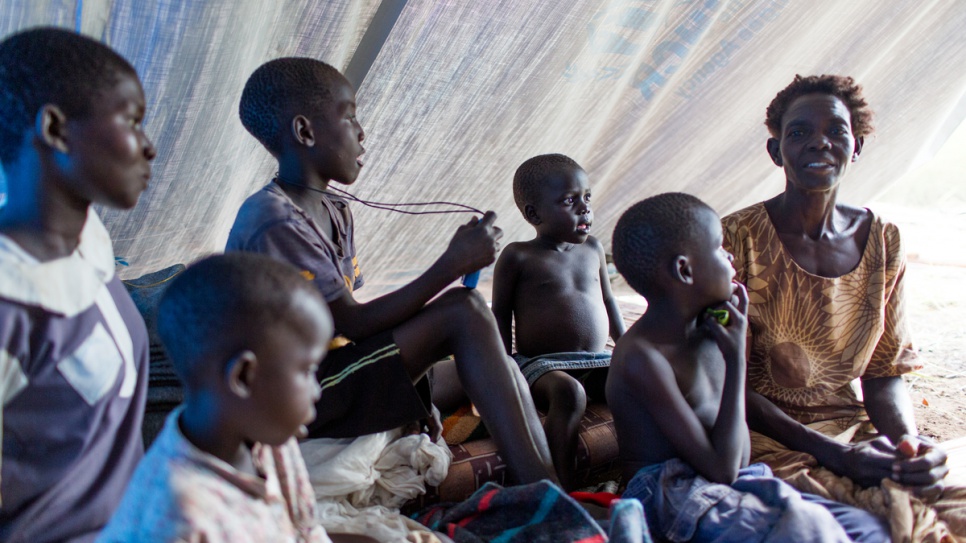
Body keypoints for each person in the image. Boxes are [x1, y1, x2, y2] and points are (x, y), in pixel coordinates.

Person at [226, 57, 556, 485]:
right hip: (293, 391)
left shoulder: (334, 209)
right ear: (305, 131)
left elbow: (350, 323)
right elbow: (356, 323)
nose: (362, 132)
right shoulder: (275, 221)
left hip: (338, 368)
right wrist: (452, 265)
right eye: (350, 117)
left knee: (500, 367)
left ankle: (549, 483)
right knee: (466, 311)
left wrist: (417, 390)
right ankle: (549, 497)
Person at [722, 74, 965, 539]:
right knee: (881, 523)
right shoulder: (737, 238)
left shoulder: (884, 241)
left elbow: (883, 371)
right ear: (776, 153)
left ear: (856, 147)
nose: (820, 142)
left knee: (946, 507)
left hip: (851, 430)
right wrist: (837, 457)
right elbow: (721, 380)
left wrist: (906, 444)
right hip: (761, 435)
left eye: (836, 130)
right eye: (798, 133)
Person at [608, 193, 889, 542]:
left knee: (867, 527)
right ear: (684, 270)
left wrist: (734, 347)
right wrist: (736, 357)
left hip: (732, 479)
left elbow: (736, 460)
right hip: (670, 495)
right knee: (803, 529)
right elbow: (723, 470)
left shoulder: (711, 330)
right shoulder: (643, 356)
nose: (730, 257)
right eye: (719, 248)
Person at [98, 253, 377, 542]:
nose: (317, 390)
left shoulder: (269, 440)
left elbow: (304, 531)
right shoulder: (178, 515)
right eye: (307, 371)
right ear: (243, 377)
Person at [0, 27, 155, 542]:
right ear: (55, 128)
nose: (148, 147)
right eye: (132, 121)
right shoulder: (10, 304)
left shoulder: (88, 238)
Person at [491, 153, 624, 490]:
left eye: (587, 198)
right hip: (542, 365)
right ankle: (561, 488)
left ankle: (634, 473)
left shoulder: (593, 248)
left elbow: (609, 302)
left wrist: (627, 349)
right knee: (569, 393)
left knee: (642, 379)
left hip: (596, 359)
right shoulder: (518, 256)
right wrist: (505, 369)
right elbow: (500, 314)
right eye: (569, 201)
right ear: (533, 214)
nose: (584, 209)